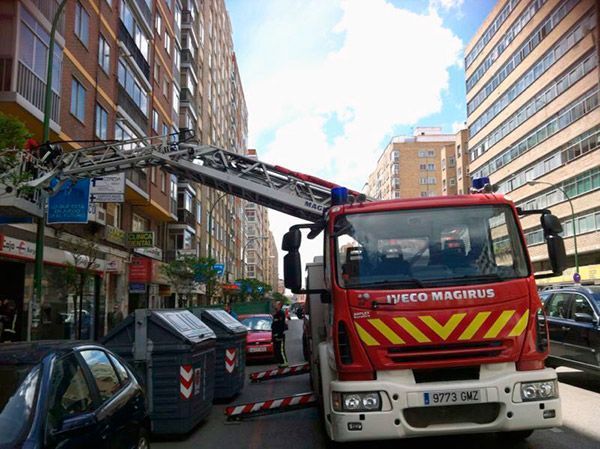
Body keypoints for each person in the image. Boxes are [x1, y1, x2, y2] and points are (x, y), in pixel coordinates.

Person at [272, 301, 288, 368]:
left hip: (279, 335)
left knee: (280, 350)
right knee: (276, 350)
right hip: (275, 335)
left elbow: (281, 325)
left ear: (279, 305)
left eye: (276, 304)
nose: (274, 305)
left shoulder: (281, 313)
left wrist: (279, 334)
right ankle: (280, 363)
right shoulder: (276, 314)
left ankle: (284, 363)